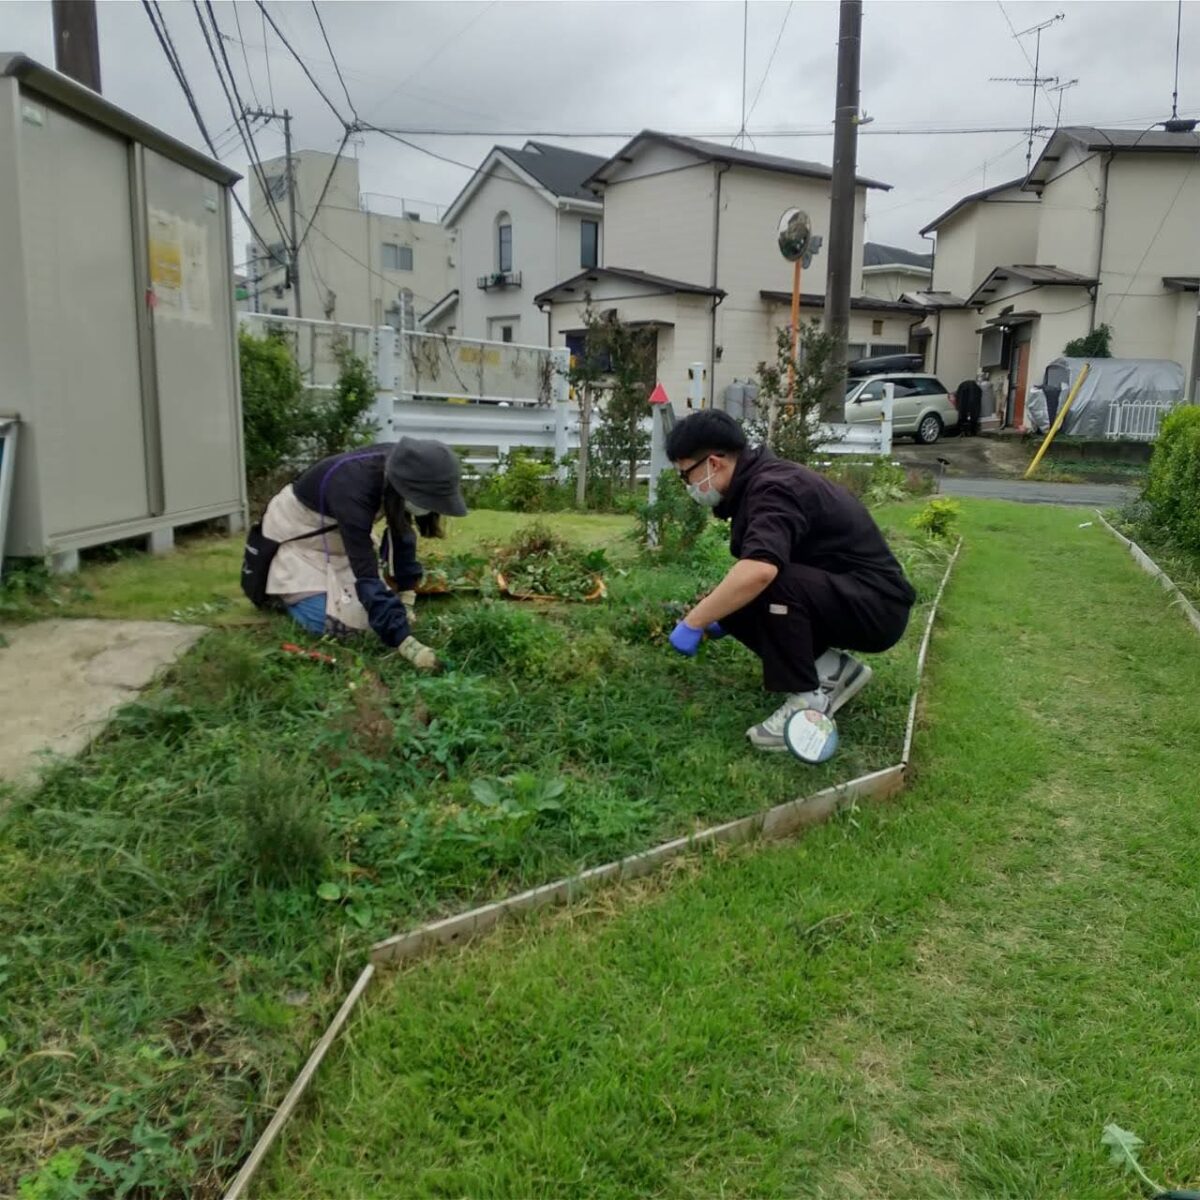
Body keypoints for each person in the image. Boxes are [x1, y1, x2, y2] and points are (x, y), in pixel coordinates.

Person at [664, 410, 916, 752]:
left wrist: (694, 621)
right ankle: (831, 670)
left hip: (877, 607)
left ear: (714, 463)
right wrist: (719, 613)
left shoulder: (773, 488)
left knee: (766, 581)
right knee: (733, 601)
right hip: (853, 595)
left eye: (686, 476)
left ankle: (808, 703)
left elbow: (761, 571)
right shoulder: (758, 485)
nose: (688, 487)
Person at [259, 436, 468, 670]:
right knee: (342, 625)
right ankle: (285, 593)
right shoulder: (353, 487)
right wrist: (404, 642)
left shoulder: (403, 467)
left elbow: (402, 533)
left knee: (373, 612)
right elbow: (366, 575)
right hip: (300, 533)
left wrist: (408, 594)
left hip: (340, 536)